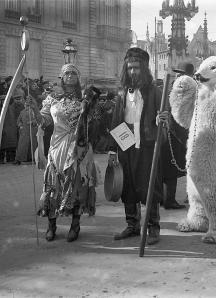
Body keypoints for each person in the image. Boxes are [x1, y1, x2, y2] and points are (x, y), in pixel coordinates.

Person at [31, 63, 99, 242]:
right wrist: (34, 109)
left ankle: (75, 225)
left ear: (78, 77)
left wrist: (90, 110)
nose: (70, 76)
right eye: (66, 73)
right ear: (61, 77)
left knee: (77, 185)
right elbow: (44, 121)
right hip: (57, 147)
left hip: (78, 148)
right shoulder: (51, 98)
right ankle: (51, 225)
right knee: (53, 186)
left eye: (73, 73)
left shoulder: (85, 98)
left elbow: (93, 123)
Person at [108, 47, 169, 245]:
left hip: (148, 143)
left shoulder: (154, 91)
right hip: (126, 141)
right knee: (129, 186)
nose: (133, 72)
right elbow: (116, 120)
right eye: (129, 68)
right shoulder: (122, 92)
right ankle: (132, 225)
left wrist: (162, 119)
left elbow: (164, 118)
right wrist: (112, 148)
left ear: (143, 68)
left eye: (136, 68)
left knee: (149, 185)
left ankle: (153, 228)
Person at [161, 61, 194, 210]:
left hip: (176, 133)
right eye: (178, 74)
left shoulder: (174, 88)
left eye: (181, 74)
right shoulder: (178, 90)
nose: (179, 77)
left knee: (173, 170)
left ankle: (171, 198)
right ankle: (168, 199)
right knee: (171, 170)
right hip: (173, 134)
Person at [14, 100, 38, 165]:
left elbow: (38, 119)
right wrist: (20, 125)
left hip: (32, 131)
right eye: (25, 105)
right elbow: (18, 120)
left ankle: (33, 158)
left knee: (33, 145)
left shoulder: (34, 112)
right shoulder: (22, 112)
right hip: (24, 131)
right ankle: (19, 159)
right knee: (22, 145)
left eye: (27, 105)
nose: (26, 106)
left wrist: (33, 122)